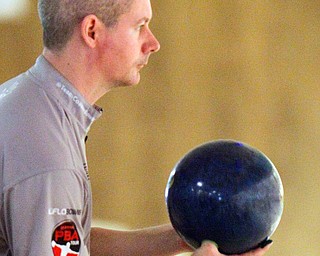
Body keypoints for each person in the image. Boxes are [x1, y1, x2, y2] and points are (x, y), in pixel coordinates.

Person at [0, 0, 273, 255]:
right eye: (140, 26)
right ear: (92, 31)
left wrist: (185, 236)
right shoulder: (48, 152)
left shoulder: (30, 101)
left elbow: (73, 240)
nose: (153, 43)